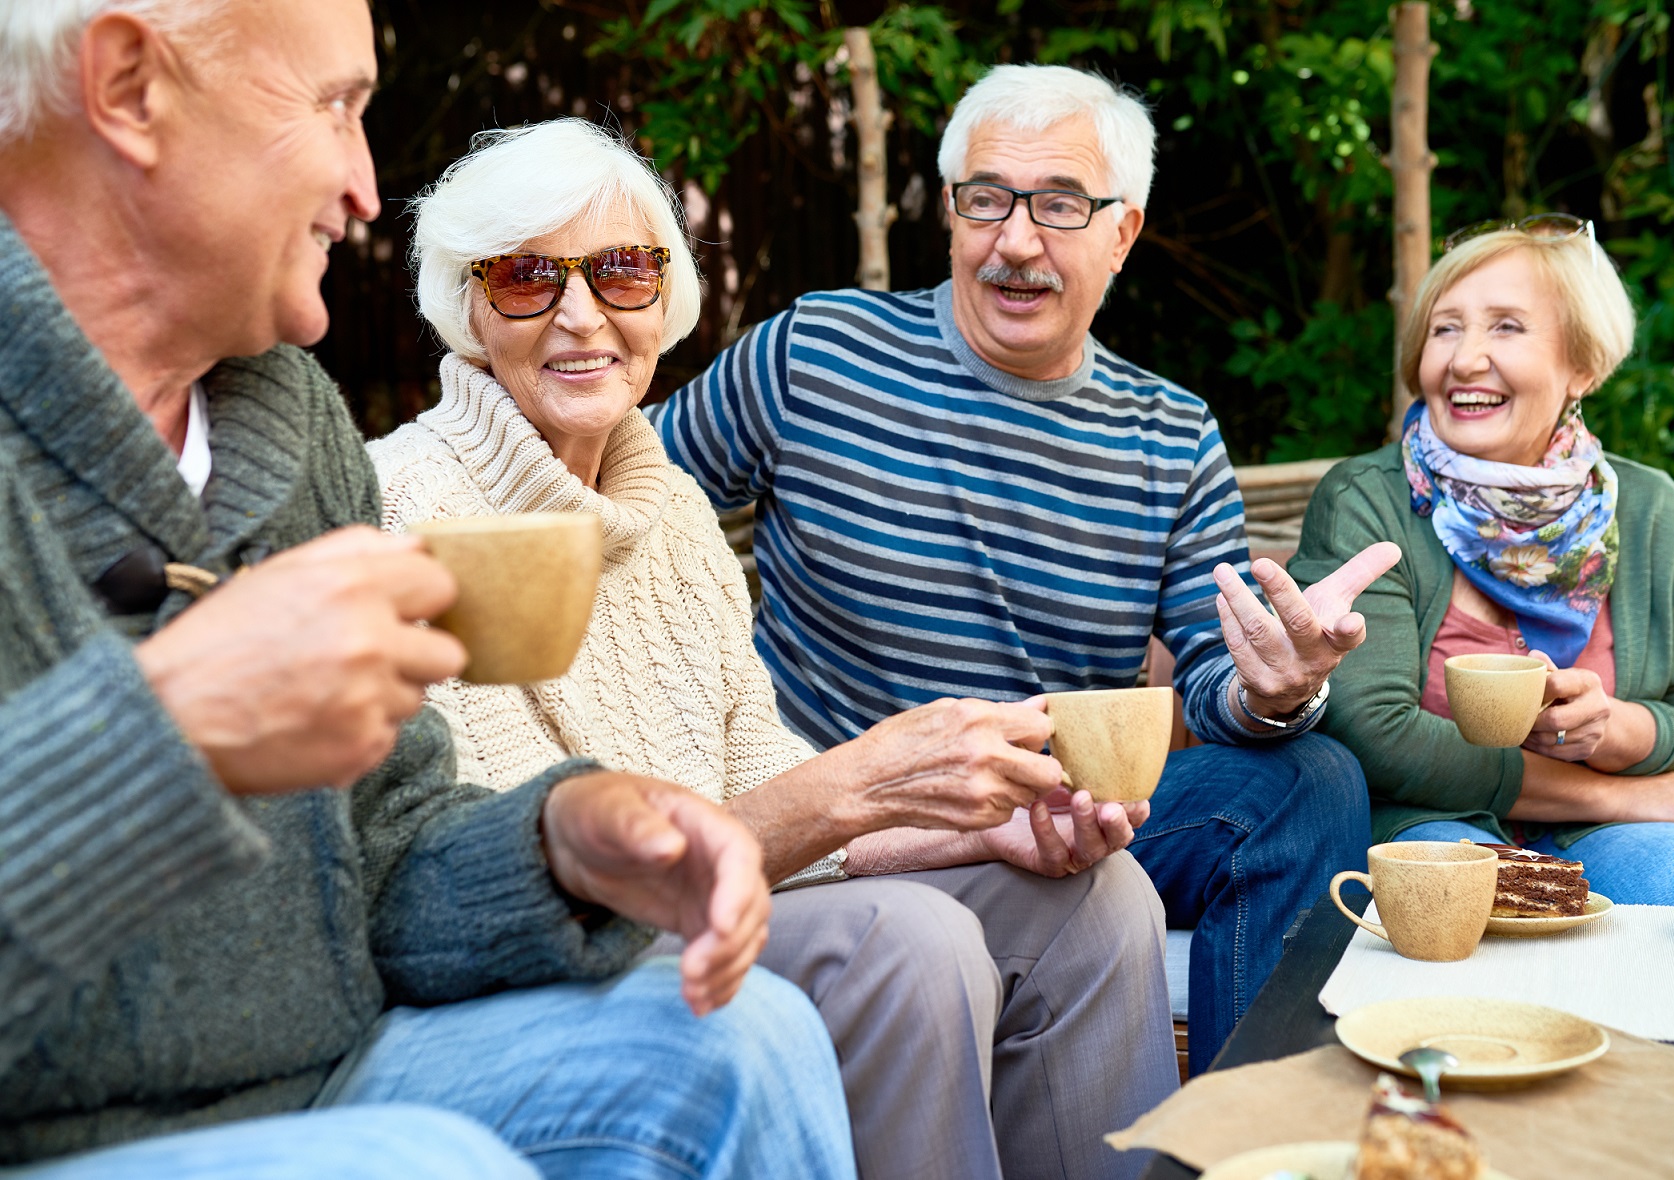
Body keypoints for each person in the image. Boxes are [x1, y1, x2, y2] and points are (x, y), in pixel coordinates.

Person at [0, 1, 857, 1177]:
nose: (366, 187)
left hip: (334, 1072)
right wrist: (166, 730)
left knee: (743, 1036)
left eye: (621, 272)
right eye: (337, 108)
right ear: (130, 87)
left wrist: (561, 840)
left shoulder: (290, 418)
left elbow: (390, 845)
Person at [370, 116, 1175, 1180]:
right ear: (467, 304)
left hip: (724, 897)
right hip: (569, 949)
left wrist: (975, 831)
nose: (581, 317)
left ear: (663, 295)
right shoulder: (399, 506)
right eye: (525, 277)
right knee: (906, 944)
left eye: (621, 271)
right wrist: (862, 783)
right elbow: (518, 871)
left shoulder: (673, 511)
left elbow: (764, 785)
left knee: (1097, 896)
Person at [649, 62, 1401, 1074]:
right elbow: (621, 489)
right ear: (953, 212)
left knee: (1312, 776)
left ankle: (1244, 1145)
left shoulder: (1171, 433)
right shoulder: (816, 356)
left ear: (1122, 234)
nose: (1015, 241)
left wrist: (1278, 686)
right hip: (845, 811)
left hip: (1056, 809)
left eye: (1058, 205)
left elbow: (1221, 682)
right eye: (987, 200)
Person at [1290, 215, 1674, 903]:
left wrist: (1611, 728)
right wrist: (1615, 798)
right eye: (1444, 328)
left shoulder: (1651, 509)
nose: (1463, 359)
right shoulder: (1367, 500)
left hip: (1601, 841)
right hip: (1432, 828)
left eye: (1505, 327)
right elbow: (1374, 734)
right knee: (1481, 895)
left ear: (1584, 365)